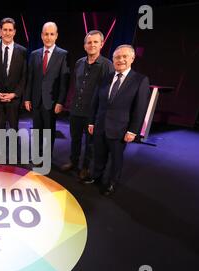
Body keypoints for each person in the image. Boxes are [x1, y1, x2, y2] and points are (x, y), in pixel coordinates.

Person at [82, 45, 150, 196]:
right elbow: (95, 102)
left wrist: (133, 131)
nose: (121, 60)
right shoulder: (105, 78)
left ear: (132, 58)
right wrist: (91, 122)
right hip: (100, 125)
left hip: (120, 129)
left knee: (116, 159)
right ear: (113, 60)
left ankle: (112, 183)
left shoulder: (140, 80)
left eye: (125, 56)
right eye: (117, 57)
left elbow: (140, 109)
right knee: (99, 154)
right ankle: (95, 176)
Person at [61, 30, 114, 179]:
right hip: (76, 110)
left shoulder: (107, 65)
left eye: (95, 42)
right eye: (89, 42)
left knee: (90, 143)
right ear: (85, 46)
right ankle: (73, 162)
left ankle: (85, 167)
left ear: (101, 44)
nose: (92, 45)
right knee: (75, 139)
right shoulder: (79, 63)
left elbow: (106, 94)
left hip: (93, 113)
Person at [24, 22, 69, 157]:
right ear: (42, 36)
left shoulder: (63, 54)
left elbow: (64, 81)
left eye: (51, 34)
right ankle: (37, 154)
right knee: (37, 130)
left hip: (52, 101)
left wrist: (61, 102)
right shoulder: (34, 54)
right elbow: (30, 78)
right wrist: (27, 98)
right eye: (46, 34)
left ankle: (47, 156)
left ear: (56, 36)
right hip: (36, 100)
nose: (48, 37)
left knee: (49, 130)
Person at [0, 17, 27, 131]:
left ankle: (13, 149)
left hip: (14, 100)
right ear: (0, 31)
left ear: (14, 32)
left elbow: (24, 76)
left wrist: (14, 94)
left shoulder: (22, 51)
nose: (7, 33)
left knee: (14, 128)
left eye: (10, 30)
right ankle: (1, 149)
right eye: (5, 30)